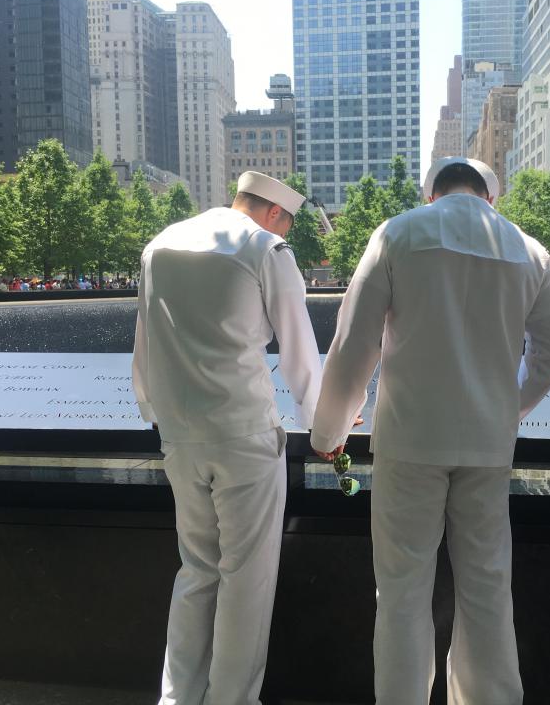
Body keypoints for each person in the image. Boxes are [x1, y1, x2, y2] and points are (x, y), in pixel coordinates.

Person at [310, 157, 550, 705]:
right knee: (487, 589)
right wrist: (510, 407)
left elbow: (356, 345)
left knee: (403, 593)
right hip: (487, 444)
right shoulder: (530, 251)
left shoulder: (399, 233)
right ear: (490, 199)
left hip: (410, 440)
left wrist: (328, 431)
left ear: (431, 195)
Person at [132, 171, 323, 705]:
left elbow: (145, 343)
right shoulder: (267, 248)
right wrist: (325, 425)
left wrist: (155, 413)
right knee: (246, 580)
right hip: (243, 435)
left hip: (179, 437)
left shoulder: (160, 245)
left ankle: (178, 697)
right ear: (275, 214)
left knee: (196, 571)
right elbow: (299, 352)